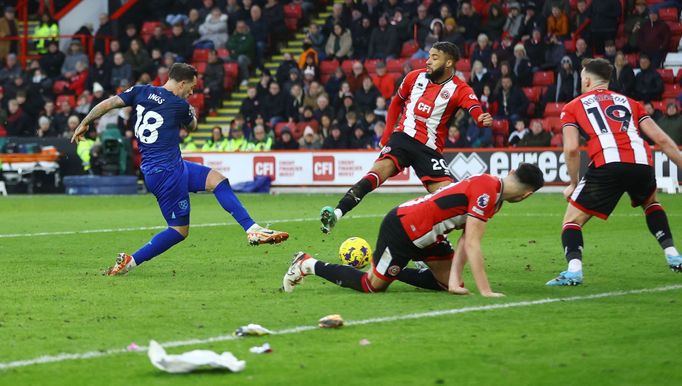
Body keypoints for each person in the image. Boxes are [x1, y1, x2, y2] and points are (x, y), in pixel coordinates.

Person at [70, 63, 288, 276]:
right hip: (165, 173)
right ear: (181, 83)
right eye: (191, 87)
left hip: (172, 166)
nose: (192, 92)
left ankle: (253, 229)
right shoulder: (179, 105)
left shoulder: (141, 90)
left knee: (218, 180)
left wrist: (85, 122)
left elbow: (108, 104)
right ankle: (130, 262)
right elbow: (191, 127)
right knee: (179, 230)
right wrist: (192, 113)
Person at [283, 163, 545, 296]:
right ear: (527, 195)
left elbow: (466, 239)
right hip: (403, 228)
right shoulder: (487, 191)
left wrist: (454, 281)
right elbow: (474, 243)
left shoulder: (493, 195)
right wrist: (485, 291)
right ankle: (307, 263)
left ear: (512, 171)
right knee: (372, 285)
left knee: (446, 285)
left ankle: (395, 268)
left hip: (429, 236)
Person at [318, 42, 493, 234]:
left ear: (449, 62)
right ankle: (337, 213)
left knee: (450, 201)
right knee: (375, 174)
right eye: (429, 56)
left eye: (435, 58)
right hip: (402, 138)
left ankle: (432, 245)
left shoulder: (459, 88)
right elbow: (396, 103)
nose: (428, 61)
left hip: (429, 149)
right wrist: (386, 137)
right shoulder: (414, 77)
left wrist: (480, 119)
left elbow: (474, 108)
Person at [546, 58, 682, 286]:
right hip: (641, 160)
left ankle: (574, 270)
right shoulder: (631, 103)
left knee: (572, 220)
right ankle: (673, 254)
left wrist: (573, 182)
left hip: (608, 162)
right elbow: (661, 139)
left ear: (587, 80)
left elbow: (570, 148)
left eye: (581, 78)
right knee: (650, 203)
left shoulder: (573, 106)